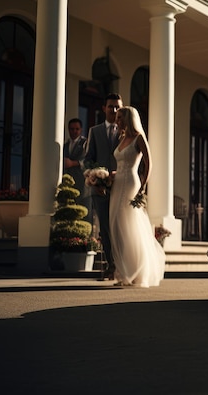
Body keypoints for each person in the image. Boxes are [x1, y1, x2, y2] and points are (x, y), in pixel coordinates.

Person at [108, 106, 165, 287]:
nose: (116, 120)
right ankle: (123, 269)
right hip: (117, 184)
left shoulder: (139, 138)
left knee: (129, 225)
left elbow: (149, 164)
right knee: (116, 225)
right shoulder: (122, 138)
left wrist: (143, 188)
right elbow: (122, 162)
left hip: (132, 184)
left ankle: (133, 272)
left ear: (127, 118)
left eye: (119, 118)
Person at [84, 93, 123, 280]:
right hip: (99, 189)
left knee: (121, 228)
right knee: (105, 229)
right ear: (104, 108)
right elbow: (87, 159)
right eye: (111, 107)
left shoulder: (126, 133)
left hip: (121, 187)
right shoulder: (95, 131)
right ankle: (111, 265)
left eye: (117, 107)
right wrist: (96, 179)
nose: (114, 111)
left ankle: (122, 264)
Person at [63, 118, 91, 224]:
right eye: (71, 129)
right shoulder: (65, 145)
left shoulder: (86, 143)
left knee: (84, 213)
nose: (74, 131)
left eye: (76, 129)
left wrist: (73, 163)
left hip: (82, 183)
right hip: (69, 183)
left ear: (81, 130)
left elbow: (89, 161)